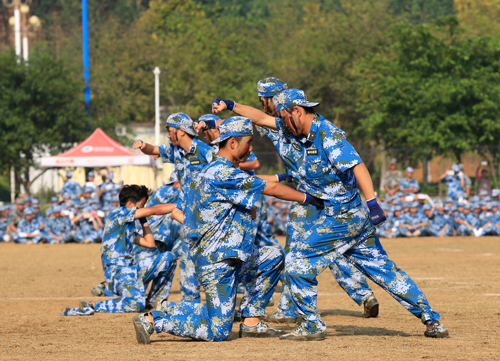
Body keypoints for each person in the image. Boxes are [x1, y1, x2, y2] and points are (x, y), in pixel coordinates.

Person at [209, 88, 448, 340]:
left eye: (283, 117)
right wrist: (231, 104)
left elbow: (357, 165)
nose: (280, 124)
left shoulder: (327, 133)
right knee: (384, 271)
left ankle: (311, 326)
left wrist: (373, 202)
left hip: (343, 215)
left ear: (298, 112)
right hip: (347, 218)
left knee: (297, 262)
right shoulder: (293, 129)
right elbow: (259, 117)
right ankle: (432, 320)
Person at [197, 79, 381, 324]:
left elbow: (258, 121)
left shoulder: (292, 121)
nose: (261, 103)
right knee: (327, 247)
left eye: (263, 99)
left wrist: (230, 105)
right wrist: (231, 106)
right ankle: (360, 294)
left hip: (312, 195)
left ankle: (291, 308)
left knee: (301, 250)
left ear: (271, 99)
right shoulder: (280, 123)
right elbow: (255, 119)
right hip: (310, 190)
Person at [132, 116, 325, 344]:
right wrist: (310, 199)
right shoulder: (223, 173)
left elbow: (188, 209)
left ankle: (251, 321)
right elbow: (271, 188)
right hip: (217, 263)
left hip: (232, 257)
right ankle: (156, 320)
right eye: (248, 143)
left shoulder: (208, 172)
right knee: (219, 331)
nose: (250, 148)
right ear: (233, 142)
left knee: (272, 256)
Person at [61, 185, 177, 316]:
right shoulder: (118, 214)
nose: (143, 208)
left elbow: (149, 243)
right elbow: (155, 210)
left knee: (169, 258)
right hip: (118, 272)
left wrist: (143, 220)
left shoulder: (126, 225)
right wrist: (181, 205)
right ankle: (92, 306)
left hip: (132, 269)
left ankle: (154, 302)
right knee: (135, 304)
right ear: (129, 204)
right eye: (142, 205)